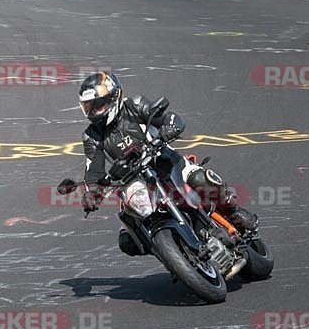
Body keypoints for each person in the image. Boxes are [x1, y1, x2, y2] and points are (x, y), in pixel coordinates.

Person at [77, 71, 258, 255]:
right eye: (89, 107)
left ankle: (234, 213)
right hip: (134, 182)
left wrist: (169, 128)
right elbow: (93, 171)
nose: (94, 111)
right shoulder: (91, 136)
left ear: (114, 97)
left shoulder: (134, 105)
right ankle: (170, 251)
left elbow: (169, 118)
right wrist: (91, 193)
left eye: (97, 105)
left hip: (166, 161)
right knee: (128, 237)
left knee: (199, 178)